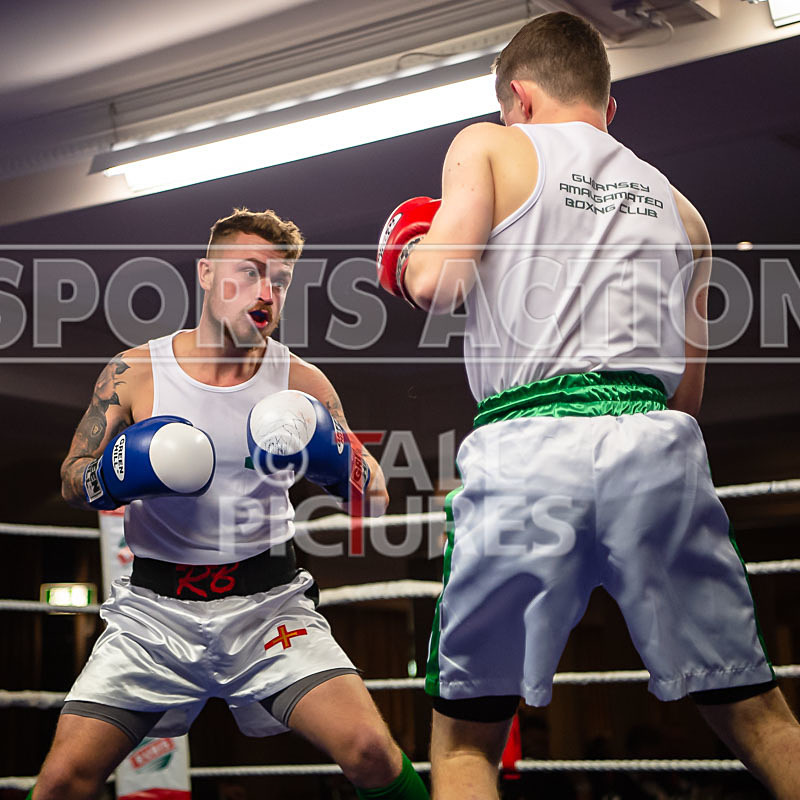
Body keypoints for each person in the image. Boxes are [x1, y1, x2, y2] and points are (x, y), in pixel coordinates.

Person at [376, 12, 800, 800]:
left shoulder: (490, 144)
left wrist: (405, 255)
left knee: (467, 741)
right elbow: (689, 395)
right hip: (655, 445)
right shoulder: (686, 214)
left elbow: (439, 284)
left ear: (520, 98)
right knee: (761, 716)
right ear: (610, 110)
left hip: (528, 452)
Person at [32, 208, 429, 800]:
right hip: (154, 614)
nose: (266, 293)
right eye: (248, 273)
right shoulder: (136, 371)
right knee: (64, 779)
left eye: (280, 282)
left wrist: (326, 452)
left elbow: (373, 494)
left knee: (371, 751)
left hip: (269, 611)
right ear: (206, 274)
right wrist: (120, 473)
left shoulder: (302, 382)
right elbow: (71, 478)